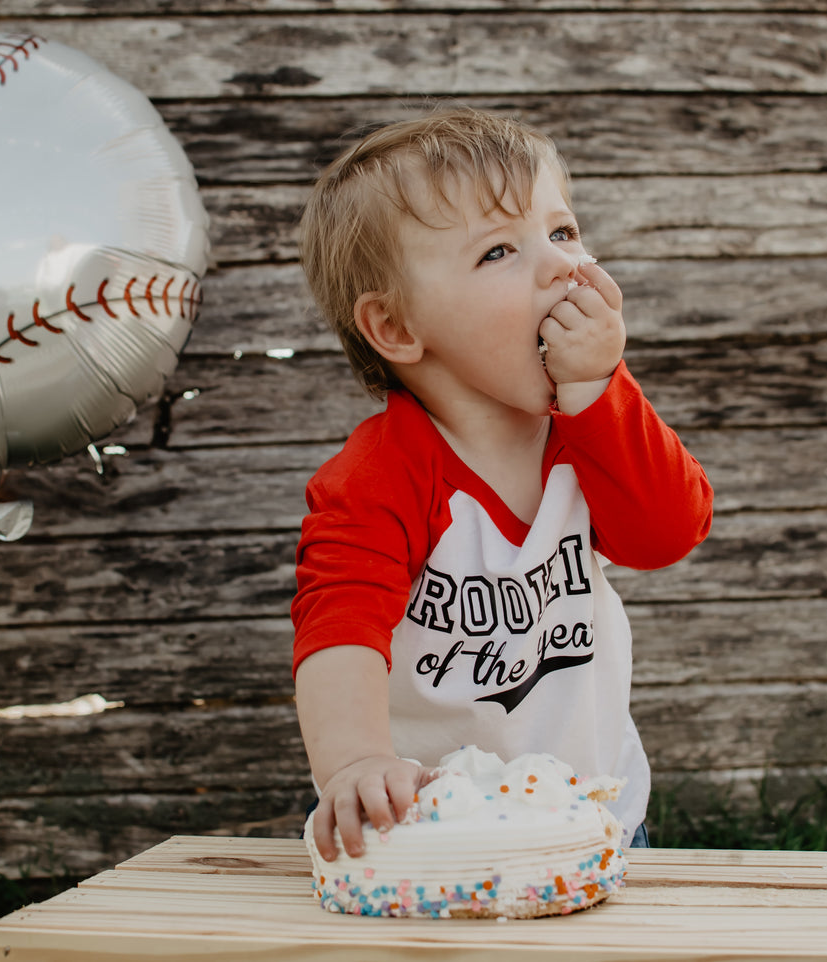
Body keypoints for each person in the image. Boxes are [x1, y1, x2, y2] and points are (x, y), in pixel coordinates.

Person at [291, 107, 713, 862]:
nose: (562, 267)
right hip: (437, 838)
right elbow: (340, 631)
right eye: (498, 251)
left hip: (597, 817)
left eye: (563, 232)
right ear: (396, 328)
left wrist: (601, 389)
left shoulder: (587, 429)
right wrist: (355, 761)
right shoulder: (377, 479)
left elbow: (665, 535)